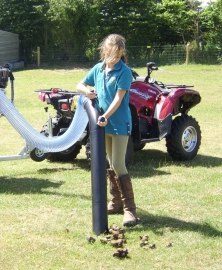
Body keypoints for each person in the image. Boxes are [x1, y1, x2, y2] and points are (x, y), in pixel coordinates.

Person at [76, 34, 137, 227]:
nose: (114, 56)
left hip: (118, 123)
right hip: (103, 123)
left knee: (118, 164)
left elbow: (118, 100)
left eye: (118, 53)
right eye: (111, 52)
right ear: (106, 50)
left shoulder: (124, 72)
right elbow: (80, 85)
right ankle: (116, 202)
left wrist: (105, 117)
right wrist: (87, 92)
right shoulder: (98, 69)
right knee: (111, 163)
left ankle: (130, 210)